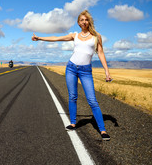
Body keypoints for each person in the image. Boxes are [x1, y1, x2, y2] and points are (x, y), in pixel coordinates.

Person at [31, 10, 112, 141]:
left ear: (89, 21)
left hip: (86, 71)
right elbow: (57, 38)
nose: (84, 22)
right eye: (82, 20)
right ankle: (73, 123)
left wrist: (107, 71)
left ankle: (102, 130)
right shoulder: (74, 35)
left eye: (86, 20)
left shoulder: (96, 36)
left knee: (92, 100)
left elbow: (101, 53)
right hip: (71, 68)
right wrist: (40, 38)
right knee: (73, 96)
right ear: (78, 23)